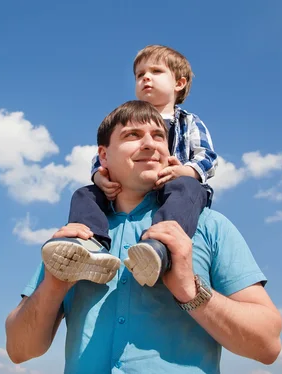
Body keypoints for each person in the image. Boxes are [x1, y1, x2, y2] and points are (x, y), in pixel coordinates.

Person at [5, 100, 282, 373]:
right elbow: (20, 350)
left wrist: (191, 291)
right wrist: (54, 284)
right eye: (132, 135)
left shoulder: (210, 226)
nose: (150, 144)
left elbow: (267, 346)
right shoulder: (74, 238)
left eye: (159, 136)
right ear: (103, 156)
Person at [41, 45, 218, 288]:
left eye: (156, 71)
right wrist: (99, 177)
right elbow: (104, 155)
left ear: (179, 83)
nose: (146, 77)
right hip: (131, 189)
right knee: (85, 194)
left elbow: (206, 155)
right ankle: (91, 244)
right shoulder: (126, 117)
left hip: (174, 187)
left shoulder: (188, 122)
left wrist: (186, 171)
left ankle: (159, 246)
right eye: (139, 74)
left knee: (187, 189)